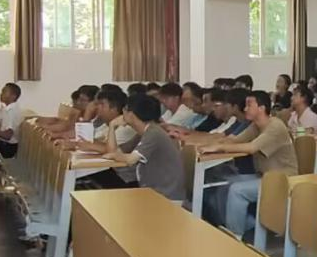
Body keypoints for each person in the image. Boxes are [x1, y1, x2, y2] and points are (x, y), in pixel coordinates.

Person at [199, 91, 298, 235]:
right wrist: (208, 144)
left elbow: (251, 148)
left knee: (237, 191)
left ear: (261, 108)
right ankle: (245, 224)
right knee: (224, 184)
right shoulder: (256, 126)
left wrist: (219, 147)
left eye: (249, 105)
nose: (245, 108)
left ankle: (236, 236)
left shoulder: (275, 126)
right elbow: (235, 140)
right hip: (264, 176)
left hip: (283, 179)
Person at [108, 94, 186, 203]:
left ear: (131, 114)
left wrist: (114, 155)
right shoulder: (144, 132)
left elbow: (131, 159)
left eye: (124, 109)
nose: (122, 112)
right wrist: (112, 126)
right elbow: (113, 151)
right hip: (153, 192)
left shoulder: (153, 133)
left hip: (166, 197)